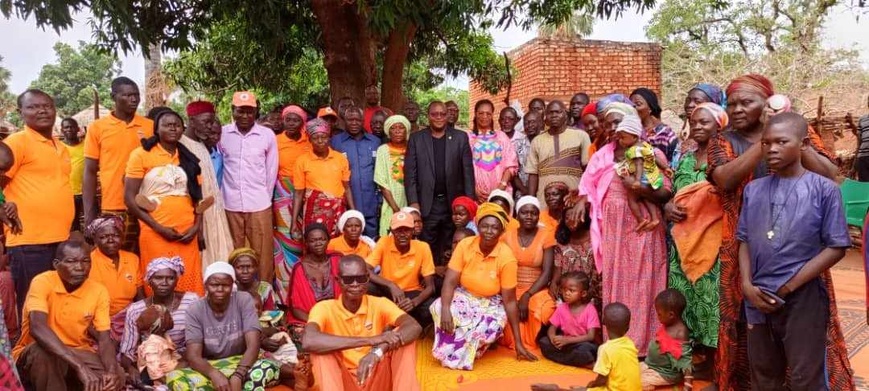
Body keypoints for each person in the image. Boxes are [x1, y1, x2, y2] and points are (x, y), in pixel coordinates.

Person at [707, 74, 849, 391]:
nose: (738, 109)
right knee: (752, 331)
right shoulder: (723, 140)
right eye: (732, 103)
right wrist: (765, 144)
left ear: (767, 102)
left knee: (803, 332)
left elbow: (829, 174)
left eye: (747, 102)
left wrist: (786, 133)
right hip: (747, 248)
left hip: (802, 254)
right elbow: (724, 179)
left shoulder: (798, 133)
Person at [736, 113, 850, 390]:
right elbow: (745, 240)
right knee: (764, 376)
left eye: (781, 142)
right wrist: (747, 284)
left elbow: (836, 247)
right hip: (758, 297)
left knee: (805, 377)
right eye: (766, 143)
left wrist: (787, 287)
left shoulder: (824, 189)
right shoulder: (754, 189)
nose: (771, 149)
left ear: (803, 144)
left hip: (802, 297)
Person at [574, 101, 670, 356]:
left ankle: (644, 345)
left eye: (619, 123)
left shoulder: (646, 152)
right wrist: (582, 201)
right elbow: (586, 186)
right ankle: (617, 344)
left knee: (644, 281)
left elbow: (665, 189)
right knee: (617, 281)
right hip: (613, 229)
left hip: (643, 227)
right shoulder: (602, 156)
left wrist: (639, 188)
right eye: (610, 124)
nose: (615, 129)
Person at [430, 202, 537, 370]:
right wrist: (445, 309)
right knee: (438, 307)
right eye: (485, 226)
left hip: (491, 303)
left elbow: (509, 301)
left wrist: (519, 343)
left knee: (490, 326)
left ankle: (467, 349)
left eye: (494, 228)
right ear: (477, 226)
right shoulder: (465, 245)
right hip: (465, 295)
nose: (489, 231)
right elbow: (450, 282)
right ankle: (457, 350)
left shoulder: (507, 257)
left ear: (502, 231)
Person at [13, 239, 124, 391]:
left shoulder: (98, 290)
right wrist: (80, 366)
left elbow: (104, 338)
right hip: (37, 352)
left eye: (85, 261)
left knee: (117, 375)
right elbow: (37, 327)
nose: (79, 267)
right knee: (44, 354)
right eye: (71, 261)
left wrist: (111, 371)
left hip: (77, 351)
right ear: (56, 264)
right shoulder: (42, 281)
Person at [663, 102, 726, 361]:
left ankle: (713, 360)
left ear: (719, 126)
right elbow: (674, 193)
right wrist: (667, 207)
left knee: (709, 298)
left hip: (712, 241)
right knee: (683, 297)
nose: (698, 126)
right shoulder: (686, 159)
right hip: (683, 242)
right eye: (695, 122)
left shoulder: (724, 160)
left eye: (705, 122)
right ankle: (687, 356)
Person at [303, 255, 422, 391]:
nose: (355, 284)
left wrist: (377, 352)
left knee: (403, 340)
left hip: (377, 377)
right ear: (338, 280)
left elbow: (413, 326)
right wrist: (371, 340)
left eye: (360, 279)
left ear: (367, 279)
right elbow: (309, 340)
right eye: (348, 280)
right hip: (342, 381)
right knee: (320, 352)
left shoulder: (379, 303)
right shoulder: (324, 308)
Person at [4, 90, 75, 315]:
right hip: (29, 240)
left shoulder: (60, 147)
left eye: (47, 106)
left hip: (60, 239)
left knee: (57, 301)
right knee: (33, 304)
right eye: (33, 107)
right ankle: (29, 349)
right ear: (20, 112)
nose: (42, 110)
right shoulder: (17, 143)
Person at [125, 109, 205, 296]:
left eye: (177, 125)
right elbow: (129, 198)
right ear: (156, 129)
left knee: (187, 278)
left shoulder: (188, 158)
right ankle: (160, 320)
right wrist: (158, 227)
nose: (173, 128)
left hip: (186, 232)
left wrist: (196, 228)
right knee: (160, 278)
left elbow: (197, 197)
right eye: (167, 125)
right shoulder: (141, 155)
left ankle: (188, 320)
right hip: (154, 231)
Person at [166, 262, 283, 389]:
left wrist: (238, 374)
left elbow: (253, 344)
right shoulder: (195, 309)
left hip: (243, 361)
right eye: (214, 285)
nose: (220, 290)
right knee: (175, 377)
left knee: (265, 368)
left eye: (225, 285)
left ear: (232, 285)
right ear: (206, 285)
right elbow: (193, 356)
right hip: (210, 365)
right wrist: (214, 374)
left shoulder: (243, 300)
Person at [84, 77, 154, 252]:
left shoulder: (150, 126)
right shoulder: (97, 128)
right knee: (117, 258)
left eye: (136, 95)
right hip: (114, 206)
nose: (134, 100)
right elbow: (90, 171)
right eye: (128, 95)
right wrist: (89, 215)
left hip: (147, 205)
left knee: (147, 257)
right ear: (113, 97)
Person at [404, 101, 475, 265]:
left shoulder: (460, 137)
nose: (439, 117)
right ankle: (431, 279)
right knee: (428, 244)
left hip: (454, 203)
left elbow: (468, 172)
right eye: (434, 114)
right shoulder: (416, 139)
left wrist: (469, 202)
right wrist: (414, 203)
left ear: (447, 115)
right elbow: (410, 174)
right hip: (428, 202)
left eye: (442, 114)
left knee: (452, 243)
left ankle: (448, 281)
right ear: (428, 116)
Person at [220, 91, 279, 284]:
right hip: (230, 204)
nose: (245, 116)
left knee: (262, 254)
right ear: (232, 111)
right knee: (233, 252)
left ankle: (264, 296)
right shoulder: (223, 134)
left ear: (256, 112)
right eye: (240, 111)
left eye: (250, 112)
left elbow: (271, 171)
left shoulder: (267, 135)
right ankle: (234, 295)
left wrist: (264, 197)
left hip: (259, 204)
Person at [119, 257, 199, 389]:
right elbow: (127, 351)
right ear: (149, 280)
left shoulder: (191, 301)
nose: (164, 282)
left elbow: (199, 340)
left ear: (177, 280)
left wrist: (184, 361)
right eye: (158, 278)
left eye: (170, 278)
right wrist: (131, 369)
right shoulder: (136, 309)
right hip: (153, 363)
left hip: (186, 360)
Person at [182, 101, 234, 269]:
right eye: (206, 122)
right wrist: (198, 225)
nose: (211, 127)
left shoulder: (203, 145)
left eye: (212, 122)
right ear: (191, 121)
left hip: (215, 213)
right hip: (198, 217)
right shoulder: (182, 146)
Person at [500, 196, 556, 350]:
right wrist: (512, 294)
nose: (529, 216)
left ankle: (538, 338)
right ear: (517, 215)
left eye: (533, 213)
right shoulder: (506, 236)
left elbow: (547, 271)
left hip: (536, 288)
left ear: (539, 215)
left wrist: (527, 295)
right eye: (524, 213)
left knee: (543, 309)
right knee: (507, 311)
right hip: (511, 286)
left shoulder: (546, 235)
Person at [366, 212, 436, 328]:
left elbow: (430, 287)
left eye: (407, 230)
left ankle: (407, 322)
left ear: (413, 231)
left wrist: (414, 302)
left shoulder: (423, 247)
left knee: (432, 307)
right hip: (388, 291)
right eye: (398, 230)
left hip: (411, 293)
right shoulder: (384, 242)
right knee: (366, 285)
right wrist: (391, 285)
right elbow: (365, 269)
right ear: (392, 232)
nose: (402, 234)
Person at [274, 104, 311, 303]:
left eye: (296, 120)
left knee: (307, 240)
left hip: (306, 193)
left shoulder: (309, 141)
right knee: (284, 239)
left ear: (302, 122)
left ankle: (304, 294)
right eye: (288, 119)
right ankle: (284, 297)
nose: (292, 123)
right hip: (281, 194)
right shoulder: (275, 141)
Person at [291, 118, 354, 238]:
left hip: (338, 211)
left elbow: (347, 188)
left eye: (324, 137)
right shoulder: (302, 161)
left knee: (336, 245)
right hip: (314, 212)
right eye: (315, 138)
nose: (320, 141)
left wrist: (353, 212)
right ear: (309, 140)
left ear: (329, 138)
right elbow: (298, 193)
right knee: (315, 244)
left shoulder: (340, 158)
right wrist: (294, 222)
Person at [84, 216, 144, 338]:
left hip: (128, 318)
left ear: (122, 237)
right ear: (95, 239)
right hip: (98, 321)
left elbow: (140, 297)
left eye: (115, 235)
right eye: (103, 237)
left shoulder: (132, 259)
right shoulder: (87, 261)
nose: (110, 240)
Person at [613, 114, 671, 230]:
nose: (620, 141)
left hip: (642, 178)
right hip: (652, 177)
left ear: (634, 137)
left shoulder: (633, 150)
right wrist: (666, 168)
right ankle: (654, 218)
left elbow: (638, 164)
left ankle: (641, 219)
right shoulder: (645, 145)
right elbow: (654, 157)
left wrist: (637, 181)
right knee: (647, 198)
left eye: (623, 137)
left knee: (632, 199)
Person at [526, 100, 591, 200]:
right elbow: (533, 174)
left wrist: (585, 197)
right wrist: (530, 200)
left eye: (558, 112)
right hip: (544, 200)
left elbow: (588, 170)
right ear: (545, 116)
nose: (554, 115)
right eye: (550, 113)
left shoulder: (581, 136)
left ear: (565, 114)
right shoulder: (537, 140)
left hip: (573, 198)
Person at [332, 107, 381, 237]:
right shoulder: (335, 142)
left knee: (372, 239)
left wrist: (380, 199)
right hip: (347, 202)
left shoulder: (375, 141)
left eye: (357, 120)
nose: (354, 123)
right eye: (350, 120)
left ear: (363, 121)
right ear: (344, 121)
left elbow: (380, 171)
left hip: (371, 201)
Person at [538, 271, 599, 368]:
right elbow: (551, 329)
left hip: (582, 343)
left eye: (571, 290)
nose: (566, 293)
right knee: (544, 342)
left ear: (583, 293)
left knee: (585, 350)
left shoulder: (590, 309)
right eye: (564, 290)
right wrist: (554, 339)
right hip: (566, 344)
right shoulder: (562, 308)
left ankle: (579, 360)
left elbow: (590, 336)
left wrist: (568, 340)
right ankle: (581, 362)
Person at [287, 224, 342, 323]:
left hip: (339, 316)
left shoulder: (338, 259)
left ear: (328, 240)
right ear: (306, 243)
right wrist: (316, 322)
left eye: (322, 239)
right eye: (313, 241)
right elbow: (295, 308)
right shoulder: (299, 268)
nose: (318, 244)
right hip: (310, 319)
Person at [641, 289, 692, 390]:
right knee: (628, 371)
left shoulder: (680, 333)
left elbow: (685, 361)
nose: (657, 316)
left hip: (664, 373)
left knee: (635, 383)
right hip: (650, 365)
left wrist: (688, 384)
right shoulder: (669, 323)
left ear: (671, 315)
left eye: (659, 314)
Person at [468, 100, 519, 202]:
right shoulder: (467, 138)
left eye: (488, 113)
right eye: (481, 113)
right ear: (475, 114)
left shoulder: (501, 136)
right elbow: (463, 167)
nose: (484, 116)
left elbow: (511, 164)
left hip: (501, 194)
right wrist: (473, 189)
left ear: (492, 115)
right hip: (477, 196)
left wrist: (502, 186)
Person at [583, 303, 640, 390]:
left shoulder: (605, 349)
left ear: (603, 321)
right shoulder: (630, 343)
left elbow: (602, 379)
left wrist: (592, 385)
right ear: (628, 327)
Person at [374, 114, 410, 237]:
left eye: (401, 128)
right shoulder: (382, 150)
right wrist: (395, 208)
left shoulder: (412, 148)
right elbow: (382, 181)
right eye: (393, 128)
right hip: (390, 202)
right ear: (388, 132)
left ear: (407, 131)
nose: (398, 131)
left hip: (410, 200)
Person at [135, 303, 181, 388]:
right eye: (168, 316)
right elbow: (154, 372)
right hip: (160, 383)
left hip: (171, 374)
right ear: (160, 325)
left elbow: (174, 356)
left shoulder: (164, 337)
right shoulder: (152, 344)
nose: (171, 318)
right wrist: (172, 385)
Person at [631, 88, 678, 162]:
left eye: (638, 104)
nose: (633, 108)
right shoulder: (629, 131)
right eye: (631, 105)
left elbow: (674, 161)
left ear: (650, 108)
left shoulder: (665, 134)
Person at [62, 118, 85, 232]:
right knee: (72, 224)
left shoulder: (86, 145)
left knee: (90, 222)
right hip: (67, 193)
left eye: (72, 126)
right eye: (66, 127)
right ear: (62, 130)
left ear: (77, 129)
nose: (69, 129)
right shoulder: (59, 148)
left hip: (86, 192)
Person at [513, 110, 543, 197]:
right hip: (523, 191)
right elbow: (514, 173)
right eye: (526, 123)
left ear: (540, 123)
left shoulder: (547, 142)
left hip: (544, 190)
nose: (529, 126)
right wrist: (524, 190)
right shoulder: (517, 145)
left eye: (533, 122)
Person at [846, 100, 869, 181]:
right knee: (864, 188)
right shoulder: (862, 120)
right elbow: (859, 144)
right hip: (863, 158)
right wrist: (854, 167)